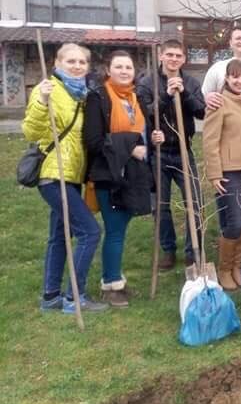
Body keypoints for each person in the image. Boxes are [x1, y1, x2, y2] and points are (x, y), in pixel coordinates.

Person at [22, 43, 107, 313]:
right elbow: (31, 131)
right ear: (57, 63)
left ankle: (50, 296)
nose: (77, 66)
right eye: (71, 61)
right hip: (52, 173)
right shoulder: (48, 89)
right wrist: (41, 101)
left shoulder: (79, 94)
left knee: (60, 235)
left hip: (71, 175)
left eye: (82, 62)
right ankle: (74, 296)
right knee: (90, 231)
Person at [83, 51, 164, 307]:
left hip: (134, 173)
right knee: (115, 230)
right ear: (108, 70)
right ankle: (110, 286)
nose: (124, 71)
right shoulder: (99, 98)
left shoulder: (135, 97)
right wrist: (129, 147)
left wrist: (152, 138)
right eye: (118, 66)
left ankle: (116, 277)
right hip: (110, 174)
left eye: (128, 67)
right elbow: (94, 141)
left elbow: (140, 131)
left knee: (121, 228)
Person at [136, 39, 206, 270]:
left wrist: (184, 93)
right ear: (161, 56)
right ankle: (168, 250)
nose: (174, 59)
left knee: (194, 202)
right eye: (170, 55)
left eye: (178, 55)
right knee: (160, 206)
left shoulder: (191, 82)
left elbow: (201, 111)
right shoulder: (148, 84)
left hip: (183, 151)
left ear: (184, 59)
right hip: (159, 153)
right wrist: (166, 95)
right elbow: (145, 114)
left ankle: (191, 250)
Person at [202, 59, 241, 290]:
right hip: (229, 170)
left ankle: (237, 267)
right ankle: (224, 268)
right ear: (227, 78)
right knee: (235, 221)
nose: (239, 81)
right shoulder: (219, 102)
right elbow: (209, 140)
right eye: (234, 76)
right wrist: (214, 173)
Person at [202, 25, 241, 109]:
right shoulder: (218, 67)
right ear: (230, 43)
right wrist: (207, 98)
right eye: (238, 38)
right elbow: (203, 95)